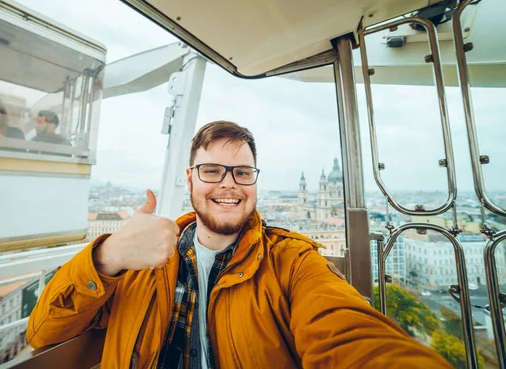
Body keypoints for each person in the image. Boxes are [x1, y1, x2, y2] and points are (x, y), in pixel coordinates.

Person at [27, 121, 451, 368]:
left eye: (242, 173)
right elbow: (43, 332)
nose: (229, 184)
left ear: (254, 182)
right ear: (190, 179)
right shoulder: (137, 261)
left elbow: (351, 335)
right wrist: (107, 256)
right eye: (212, 170)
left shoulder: (292, 262)